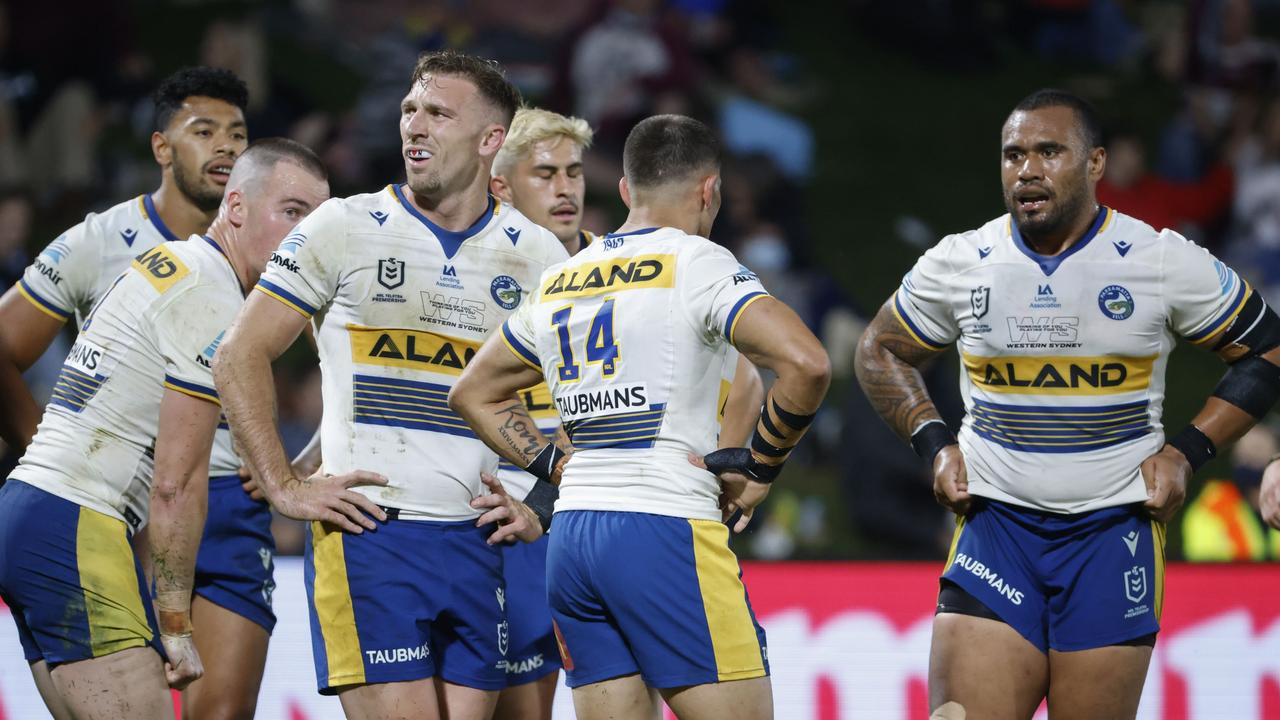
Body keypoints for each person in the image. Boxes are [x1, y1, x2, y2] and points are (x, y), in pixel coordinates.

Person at [855, 89, 1280, 719]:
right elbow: (878, 350)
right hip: (996, 529)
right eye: (1013, 155)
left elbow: (1266, 348)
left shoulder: (1158, 259)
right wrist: (935, 444)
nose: (1027, 169)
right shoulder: (964, 261)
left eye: (1049, 152)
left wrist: (1188, 453)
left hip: (1113, 535)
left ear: (1096, 164)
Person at [212, 50, 567, 720]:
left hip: (478, 540)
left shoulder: (538, 256)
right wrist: (285, 486)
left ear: (491, 140)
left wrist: (538, 503)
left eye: (438, 112)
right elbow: (238, 354)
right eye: (410, 109)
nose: (415, 124)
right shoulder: (344, 227)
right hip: (372, 534)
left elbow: (571, 403)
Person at [449, 114, 830, 720]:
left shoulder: (561, 279)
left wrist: (554, 468)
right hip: (665, 526)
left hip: (572, 541)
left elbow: (473, 392)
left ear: (624, 191)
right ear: (710, 191)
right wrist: (761, 466)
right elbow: (806, 363)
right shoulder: (698, 262)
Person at [0, 138, 330, 720]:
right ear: (235, 208)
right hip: (75, 527)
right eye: (293, 212)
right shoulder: (212, 295)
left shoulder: (178, 263)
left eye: (318, 220)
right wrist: (174, 623)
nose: (307, 236)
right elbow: (177, 485)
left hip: (33, 512)